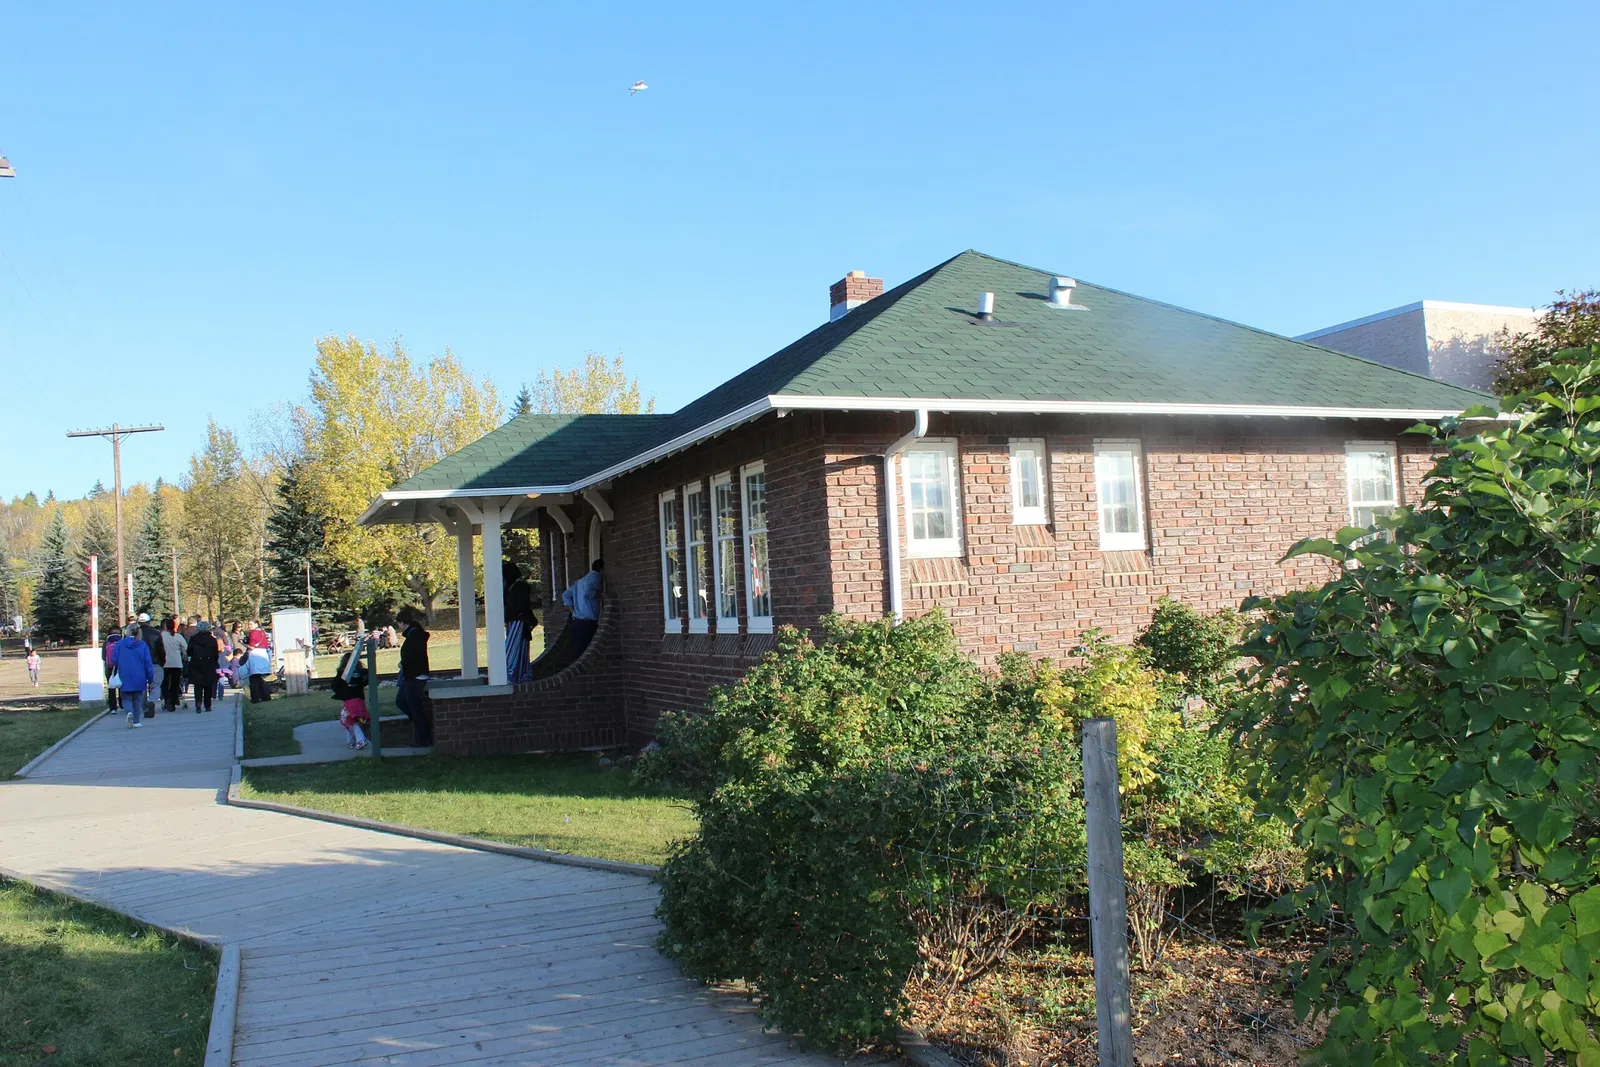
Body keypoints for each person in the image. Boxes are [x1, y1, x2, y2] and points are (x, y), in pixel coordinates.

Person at [395, 607, 432, 747]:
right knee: (401, 701)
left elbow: (413, 655)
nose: (399, 626)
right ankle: (419, 727)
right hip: (411, 675)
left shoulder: (414, 635)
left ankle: (423, 735)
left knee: (413, 707)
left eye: (399, 623)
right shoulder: (414, 634)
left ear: (402, 622)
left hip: (415, 676)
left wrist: (403, 663)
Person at [112, 623, 155, 728]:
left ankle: (128, 713)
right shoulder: (142, 645)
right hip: (140, 675)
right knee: (138, 699)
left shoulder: (120, 644)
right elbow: (148, 663)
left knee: (126, 697)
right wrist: (150, 678)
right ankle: (136, 721)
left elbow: (114, 659)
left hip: (124, 674)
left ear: (127, 631)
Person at [561, 559, 604, 657]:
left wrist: (573, 611)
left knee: (579, 653)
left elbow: (565, 595)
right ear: (602, 570)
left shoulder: (580, 582)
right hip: (588, 622)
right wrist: (600, 594)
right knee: (588, 653)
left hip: (577, 621)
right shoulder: (596, 577)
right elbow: (587, 593)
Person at [503, 562, 538, 683]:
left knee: (511, 651)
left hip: (519, 622)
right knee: (520, 650)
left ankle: (511, 675)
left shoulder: (520, 586)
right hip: (514, 621)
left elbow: (522, 605)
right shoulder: (512, 586)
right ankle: (520, 677)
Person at [331, 650, 369, 749]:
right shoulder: (361, 672)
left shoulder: (342, 673)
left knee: (350, 720)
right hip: (359, 699)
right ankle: (350, 741)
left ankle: (360, 740)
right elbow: (366, 681)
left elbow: (334, 685)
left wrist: (341, 692)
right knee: (351, 719)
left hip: (349, 700)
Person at [187, 620, 221, 713]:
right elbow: (215, 653)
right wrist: (215, 662)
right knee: (208, 685)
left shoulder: (193, 639)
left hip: (196, 663)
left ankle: (198, 703)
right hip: (209, 663)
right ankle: (208, 705)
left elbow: (189, 652)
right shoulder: (212, 640)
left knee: (198, 685)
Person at [159, 617, 189, 712]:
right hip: (176, 663)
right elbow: (186, 648)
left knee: (164, 683)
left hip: (164, 663)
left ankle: (166, 698)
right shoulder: (178, 637)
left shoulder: (161, 636)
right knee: (175, 683)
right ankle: (173, 701)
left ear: (165, 626)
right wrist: (184, 655)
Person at [137, 612, 164, 713]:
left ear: (139, 622)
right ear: (149, 622)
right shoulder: (156, 634)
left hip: (139, 664)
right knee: (156, 685)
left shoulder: (135, 634)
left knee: (141, 686)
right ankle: (152, 701)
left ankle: (144, 707)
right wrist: (162, 662)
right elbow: (161, 650)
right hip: (154, 663)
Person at [103, 631, 122, 711]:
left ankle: (113, 708)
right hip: (120, 666)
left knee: (111, 687)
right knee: (121, 685)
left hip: (109, 668)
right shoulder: (122, 642)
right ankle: (122, 704)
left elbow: (103, 657)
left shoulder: (106, 643)